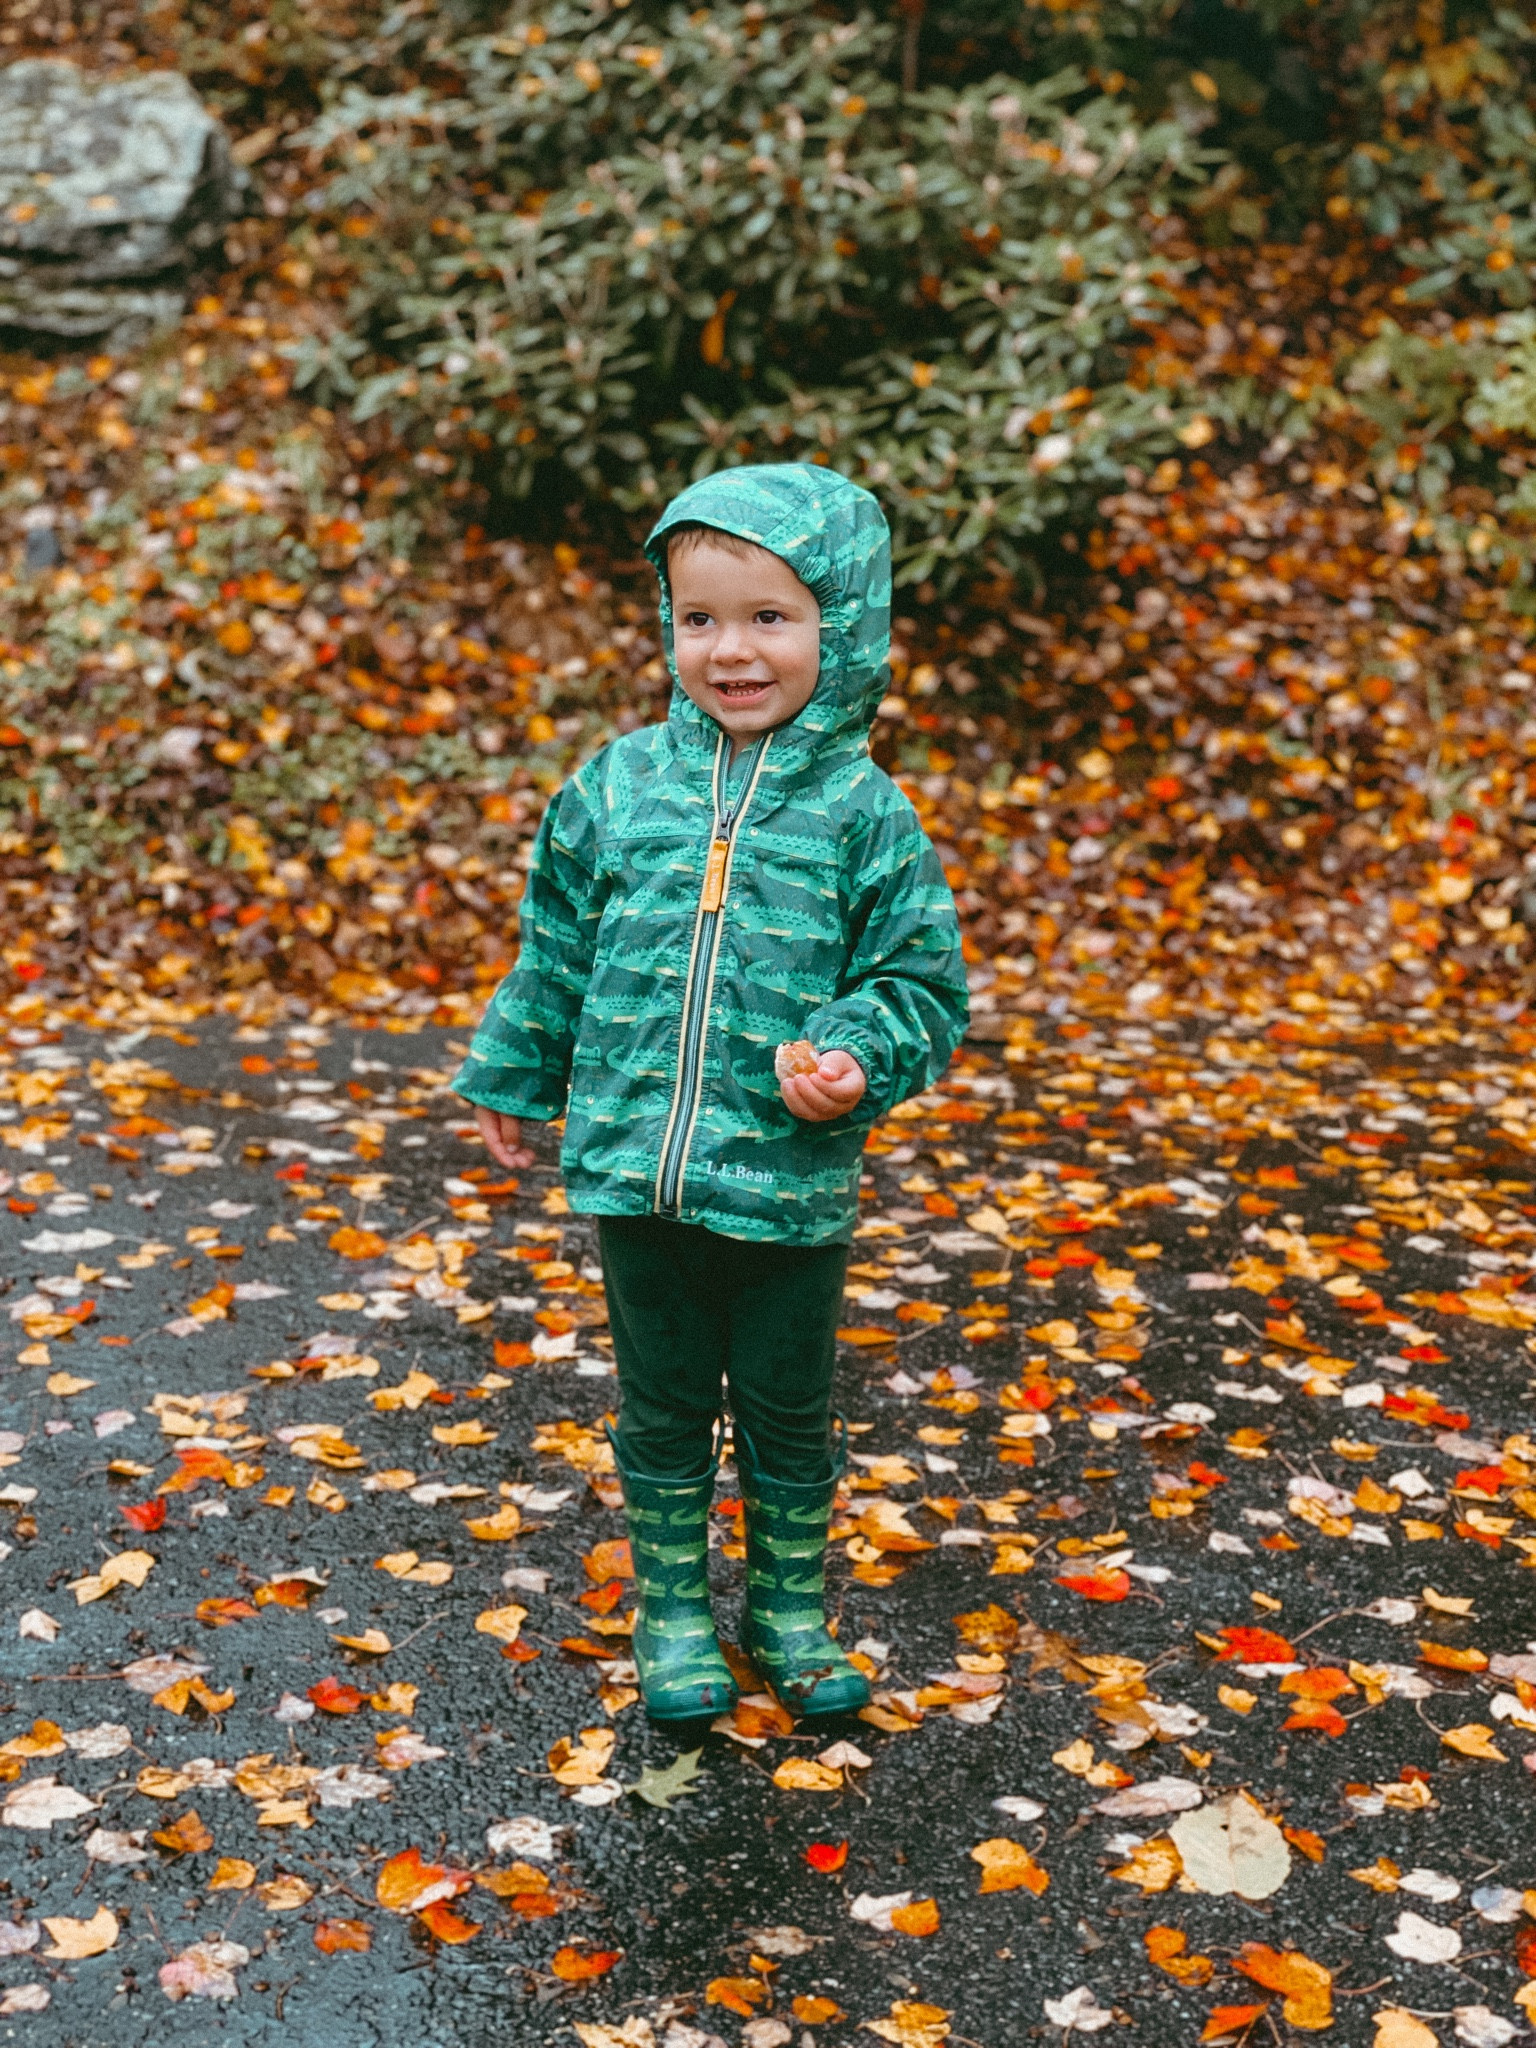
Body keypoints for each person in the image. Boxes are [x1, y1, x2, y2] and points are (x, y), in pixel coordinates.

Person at [453, 464, 967, 1722]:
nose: (730, 650)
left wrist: (855, 1051)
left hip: (788, 1184)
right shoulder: (617, 786)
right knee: (665, 1399)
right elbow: (556, 942)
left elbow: (917, 980)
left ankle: (788, 1607)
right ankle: (674, 1609)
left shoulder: (865, 812)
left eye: (770, 618)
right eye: (699, 619)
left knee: (789, 1407)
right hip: (637, 1167)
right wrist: (516, 1068)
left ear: (842, 629)